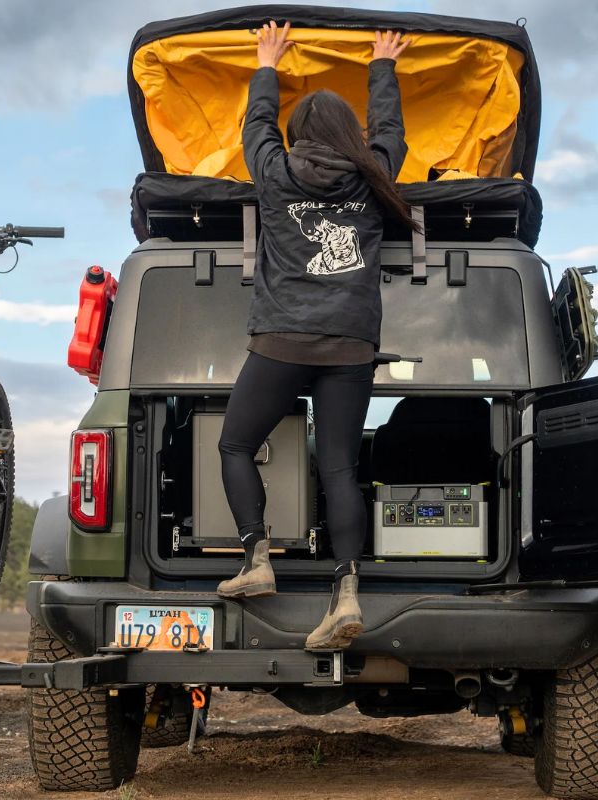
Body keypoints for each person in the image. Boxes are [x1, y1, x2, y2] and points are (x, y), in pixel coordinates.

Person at [216, 21, 419, 650]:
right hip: (352, 344)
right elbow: (390, 133)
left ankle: (257, 560)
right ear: (349, 136)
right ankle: (347, 593)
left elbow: (256, 126)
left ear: (298, 136)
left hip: (282, 339)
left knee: (233, 447)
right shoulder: (373, 174)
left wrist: (266, 62)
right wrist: (382, 64)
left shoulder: (275, 172)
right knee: (339, 467)